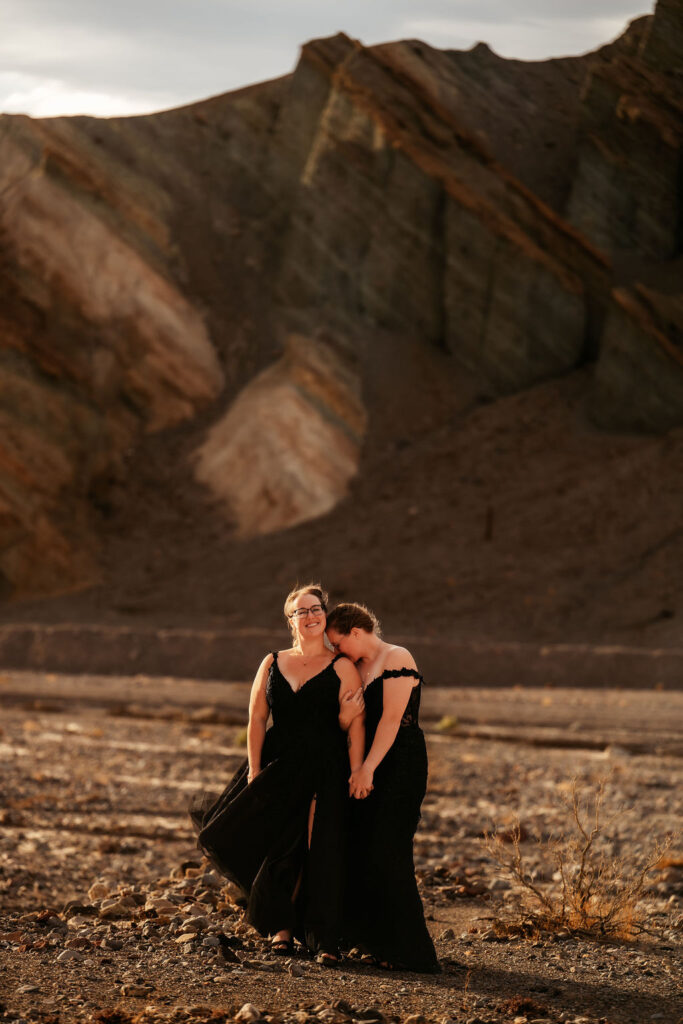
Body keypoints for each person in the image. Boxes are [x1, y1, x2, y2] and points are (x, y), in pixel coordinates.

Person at [190, 584, 364, 964]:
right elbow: (256, 719)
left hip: (325, 767)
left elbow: (355, 726)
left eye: (316, 609)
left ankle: (324, 940)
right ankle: (281, 930)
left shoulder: (343, 666)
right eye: (301, 611)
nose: (311, 616)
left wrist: (356, 771)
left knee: (321, 850)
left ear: (325, 613)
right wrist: (254, 771)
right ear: (291, 619)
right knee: (276, 847)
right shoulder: (271, 662)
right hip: (277, 766)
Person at [327, 602, 439, 973]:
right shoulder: (359, 667)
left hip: (400, 764)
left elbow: (392, 721)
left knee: (391, 851)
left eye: (339, 643)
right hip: (370, 765)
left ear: (356, 632)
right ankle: (376, 941)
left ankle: (411, 953)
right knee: (366, 849)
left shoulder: (397, 656)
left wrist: (367, 769)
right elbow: (356, 721)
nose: (338, 652)